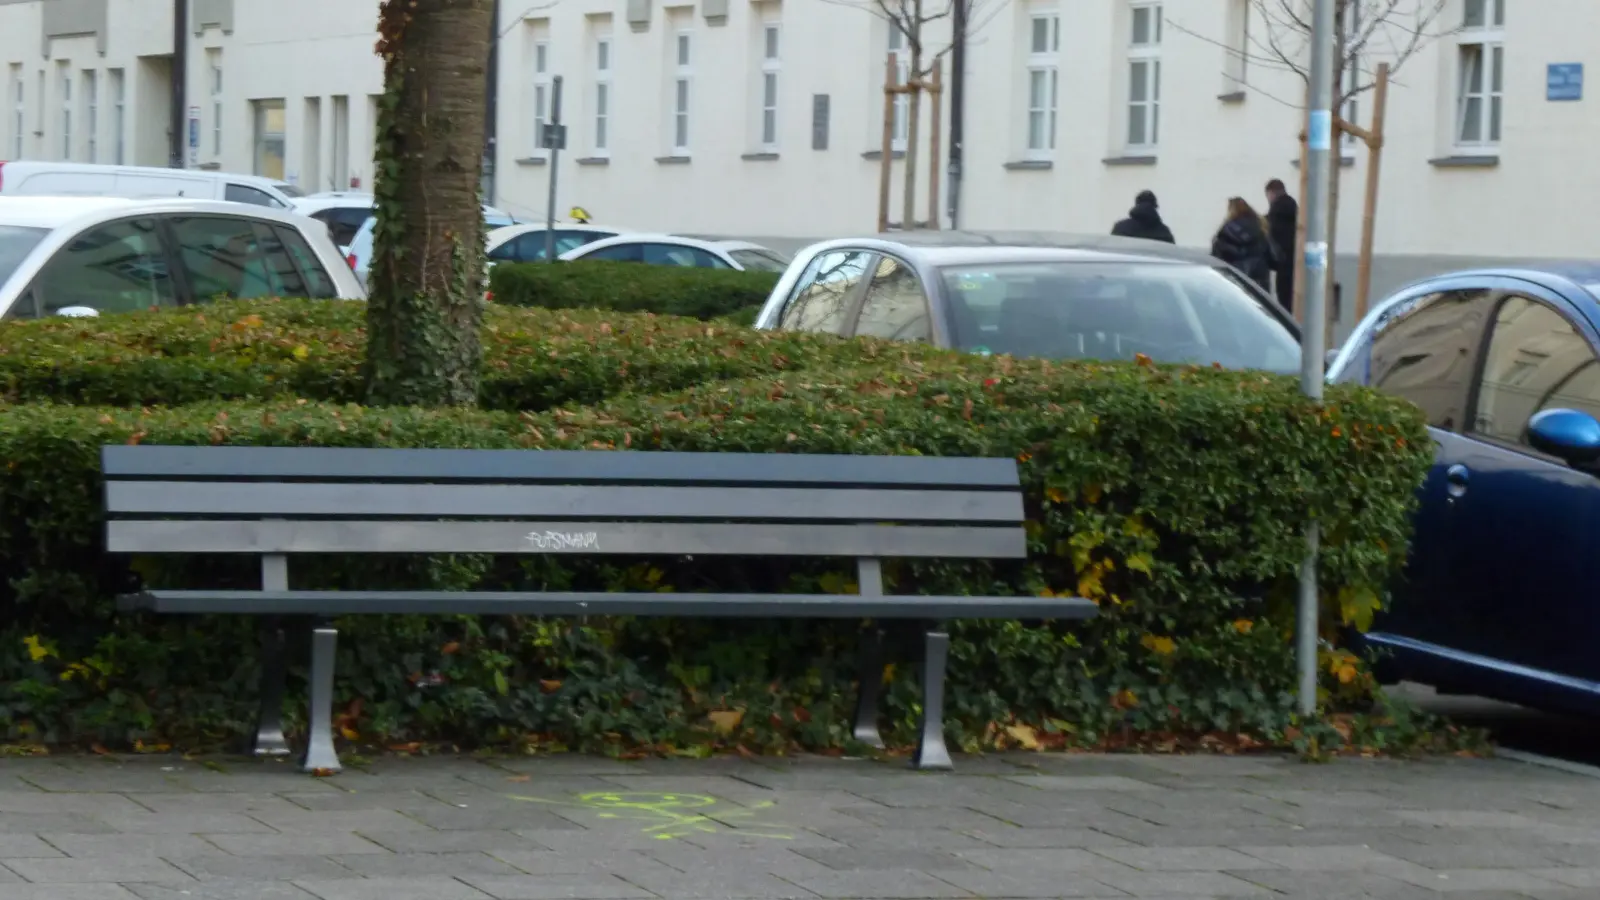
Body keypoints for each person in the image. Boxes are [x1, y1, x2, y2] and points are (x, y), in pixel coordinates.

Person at [1210, 196, 1274, 291]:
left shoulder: (1225, 231)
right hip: (1259, 281)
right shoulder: (1261, 228)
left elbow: (1216, 258)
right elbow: (1273, 257)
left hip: (1234, 280)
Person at [1264, 179, 1299, 313]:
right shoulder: (1294, 208)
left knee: (1284, 303)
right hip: (1296, 262)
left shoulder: (1276, 212)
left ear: (1271, 193)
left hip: (1283, 264)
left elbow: (1271, 234)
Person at [1110, 190, 1175, 244]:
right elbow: (1171, 254)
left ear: (1136, 205)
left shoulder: (1120, 228)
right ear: (1155, 207)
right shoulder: (1164, 231)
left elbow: (1112, 251)